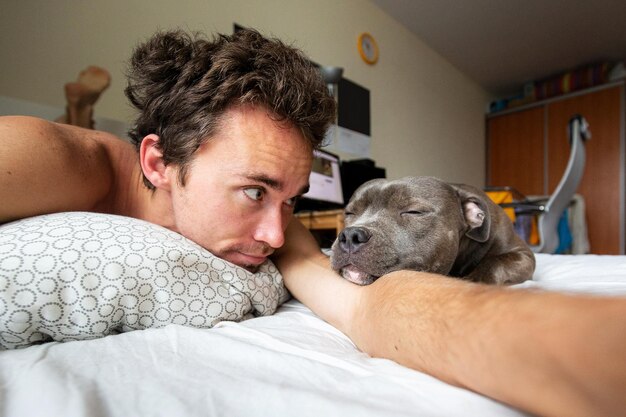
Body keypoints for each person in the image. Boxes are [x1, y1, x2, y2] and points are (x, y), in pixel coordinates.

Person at [0, 28, 625, 417]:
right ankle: (78, 103)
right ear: (158, 161)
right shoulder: (51, 161)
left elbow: (364, 309)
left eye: (292, 199)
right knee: (75, 122)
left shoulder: (271, 225)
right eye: (253, 191)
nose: (277, 236)